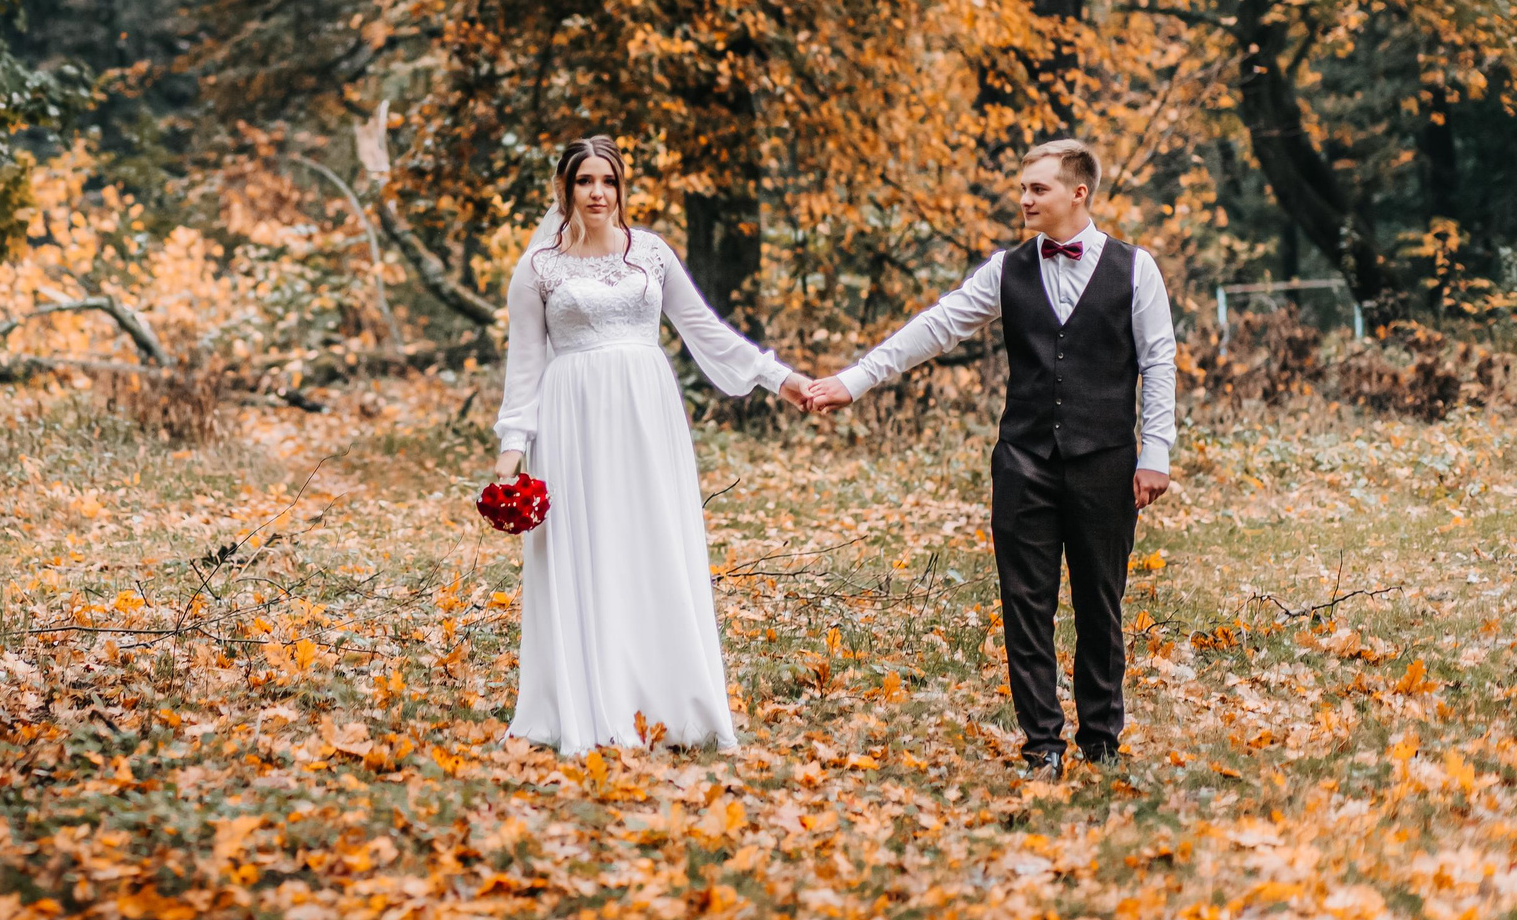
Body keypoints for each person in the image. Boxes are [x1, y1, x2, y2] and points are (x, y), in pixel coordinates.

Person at [802, 138, 1175, 775]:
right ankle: (1042, 745)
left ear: (1077, 193)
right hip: (1024, 459)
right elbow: (938, 325)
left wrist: (1156, 451)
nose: (1024, 198)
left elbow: (1159, 359)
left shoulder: (1135, 269)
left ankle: (1101, 741)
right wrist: (855, 380)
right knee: (1025, 602)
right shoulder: (1007, 269)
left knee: (1099, 602)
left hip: (1105, 459)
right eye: (1024, 187)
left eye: (1038, 189)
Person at [491, 136, 810, 755]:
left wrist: (782, 379)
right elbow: (524, 369)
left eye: (607, 181)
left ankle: (667, 700)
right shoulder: (537, 270)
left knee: (651, 541)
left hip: (646, 410)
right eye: (584, 181)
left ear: (621, 188)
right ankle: (590, 700)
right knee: (588, 547)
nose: (597, 193)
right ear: (566, 189)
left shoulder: (653, 256)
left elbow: (706, 332)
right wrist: (511, 455)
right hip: (572, 416)